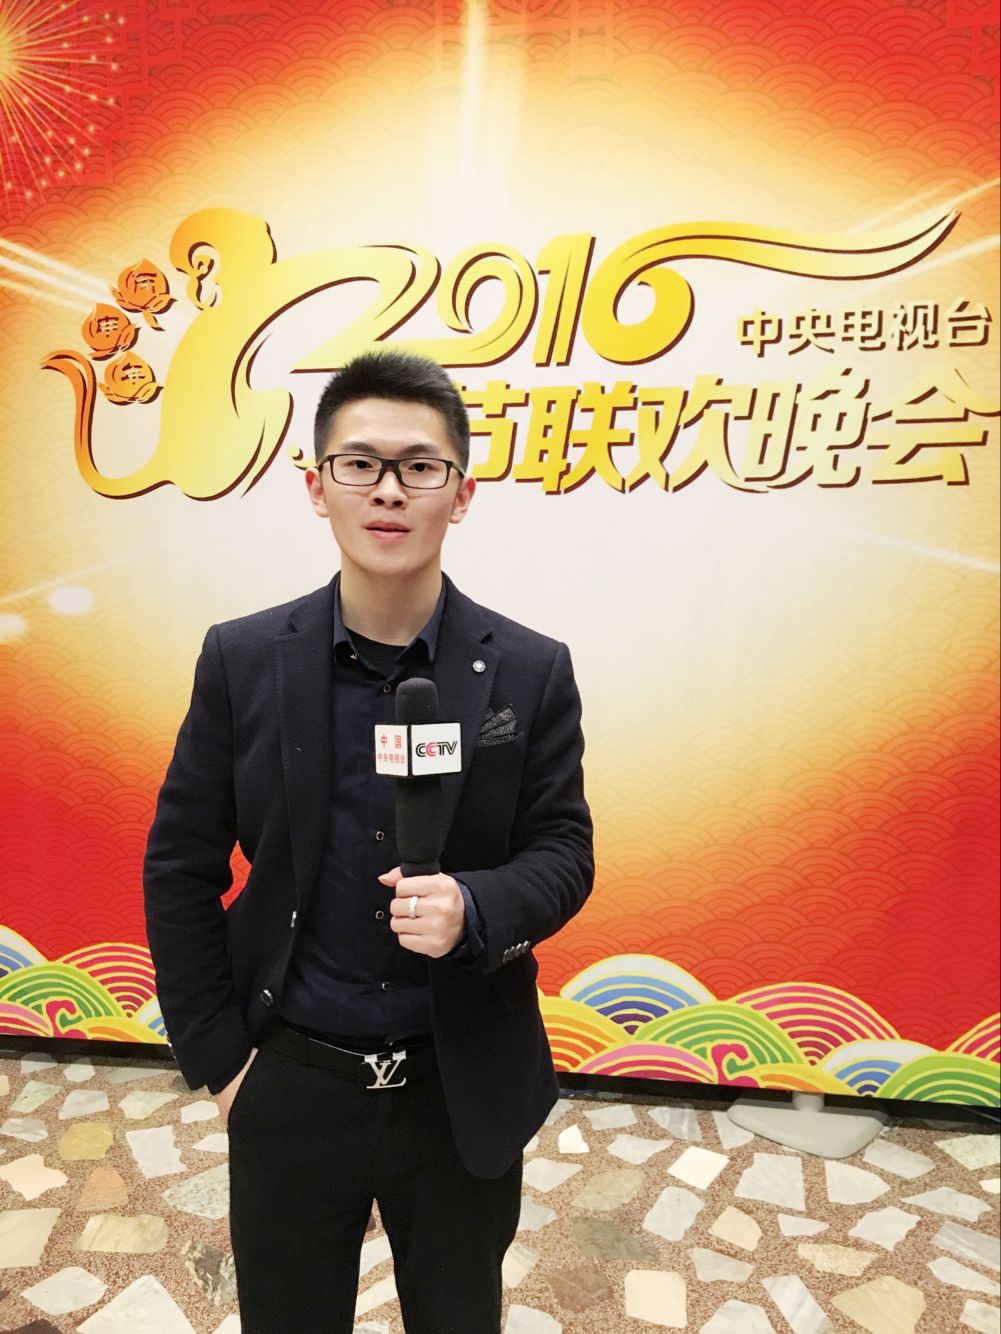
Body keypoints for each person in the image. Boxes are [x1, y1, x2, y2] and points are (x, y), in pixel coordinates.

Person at [143, 349, 594, 1333]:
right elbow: (179, 863)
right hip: (289, 1079)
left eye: (419, 466)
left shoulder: (530, 669)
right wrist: (223, 1063)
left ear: (460, 493)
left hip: (459, 1084)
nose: (389, 489)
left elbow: (564, 849)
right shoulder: (241, 659)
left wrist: (476, 906)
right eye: (360, 463)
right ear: (318, 486)